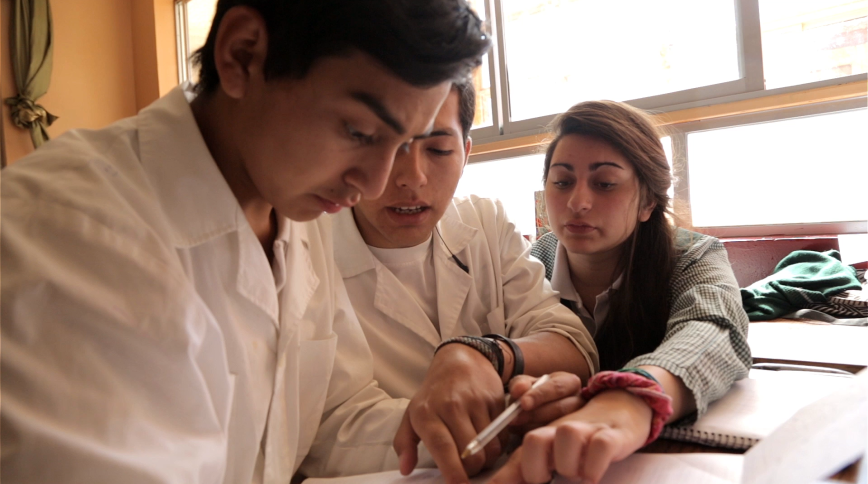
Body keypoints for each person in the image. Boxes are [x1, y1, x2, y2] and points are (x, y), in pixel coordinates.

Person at [0, 1, 489, 483]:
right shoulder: (67, 235)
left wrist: (473, 432)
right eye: (359, 131)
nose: (378, 183)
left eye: (407, 142)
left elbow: (329, 416)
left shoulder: (295, 211)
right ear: (243, 55)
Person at [330, 80, 599, 484]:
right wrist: (500, 417)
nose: (412, 177)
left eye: (438, 149)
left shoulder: (485, 223)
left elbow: (572, 343)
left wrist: (484, 354)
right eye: (379, 143)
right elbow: (325, 429)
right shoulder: (306, 248)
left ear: (466, 152)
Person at [489, 100, 751, 484]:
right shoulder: (525, 265)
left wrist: (632, 397)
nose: (577, 202)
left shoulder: (692, 256)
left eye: (605, 183)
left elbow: (716, 329)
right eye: (562, 182)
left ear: (648, 201)